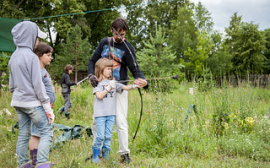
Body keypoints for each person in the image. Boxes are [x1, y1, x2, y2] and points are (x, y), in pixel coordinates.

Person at [88, 17, 148, 163]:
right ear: (112, 31)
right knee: (97, 122)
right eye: (117, 34)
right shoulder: (104, 43)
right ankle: (97, 152)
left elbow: (135, 68)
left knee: (121, 122)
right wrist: (91, 75)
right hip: (102, 87)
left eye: (123, 34)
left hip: (119, 88)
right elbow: (92, 61)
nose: (120, 37)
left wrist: (143, 81)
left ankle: (124, 154)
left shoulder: (128, 47)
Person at [9, 21, 54, 168]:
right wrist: (47, 107)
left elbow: (11, 85)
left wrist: (19, 94)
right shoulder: (32, 57)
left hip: (17, 102)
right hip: (32, 103)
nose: (38, 41)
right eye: (36, 38)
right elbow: (38, 85)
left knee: (23, 133)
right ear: (30, 37)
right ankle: (41, 164)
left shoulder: (13, 57)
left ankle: (23, 165)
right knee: (46, 131)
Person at [91, 58, 139, 163]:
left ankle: (106, 157)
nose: (110, 71)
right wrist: (108, 88)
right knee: (100, 136)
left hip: (111, 115)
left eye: (111, 69)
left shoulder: (114, 82)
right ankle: (95, 157)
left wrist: (134, 85)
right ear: (100, 70)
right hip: (100, 115)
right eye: (107, 69)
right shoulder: (96, 83)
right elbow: (99, 96)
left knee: (108, 136)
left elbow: (125, 87)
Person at [29, 42, 55, 167]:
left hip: (45, 107)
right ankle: (39, 162)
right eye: (48, 55)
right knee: (39, 134)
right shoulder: (37, 71)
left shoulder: (42, 70)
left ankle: (36, 162)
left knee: (37, 133)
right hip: (40, 108)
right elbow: (38, 90)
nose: (51, 57)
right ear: (39, 55)